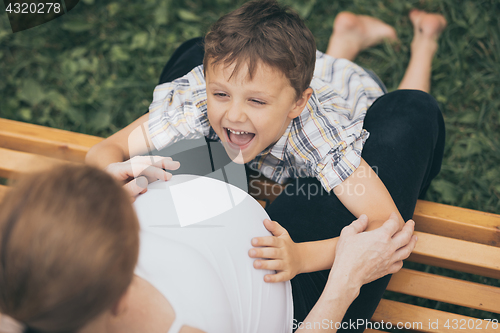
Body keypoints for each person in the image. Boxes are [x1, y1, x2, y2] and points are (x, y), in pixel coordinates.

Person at [85, 0, 446, 330]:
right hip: (288, 106)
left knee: (400, 110)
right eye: (219, 94)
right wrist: (108, 171)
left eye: (255, 101)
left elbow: (386, 222)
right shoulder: (198, 102)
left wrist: (301, 257)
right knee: (225, 65)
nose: (233, 113)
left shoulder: (318, 132)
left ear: (298, 105)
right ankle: (346, 41)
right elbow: (108, 149)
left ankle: (418, 47)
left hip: (347, 102)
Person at [0, 164, 417, 332]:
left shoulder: (21, 289)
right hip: (297, 290)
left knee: (201, 59)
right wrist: (346, 281)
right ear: (120, 296)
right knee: (411, 115)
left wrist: (97, 192)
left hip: (219, 202)